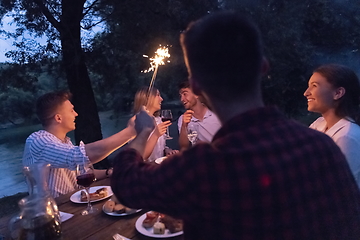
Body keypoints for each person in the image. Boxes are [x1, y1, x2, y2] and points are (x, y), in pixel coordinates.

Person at [110, 11, 360, 239]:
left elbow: (126, 184)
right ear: (263, 66)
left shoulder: (203, 168)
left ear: (196, 86)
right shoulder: (322, 147)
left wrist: (142, 133)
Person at [22, 90, 137, 197]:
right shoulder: (38, 141)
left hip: (72, 206)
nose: (76, 114)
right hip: (52, 211)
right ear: (58, 118)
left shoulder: (65, 142)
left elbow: (82, 172)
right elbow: (80, 156)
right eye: (71, 110)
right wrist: (130, 131)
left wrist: (109, 172)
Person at [304, 63, 360, 187]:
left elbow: (340, 186)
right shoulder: (318, 124)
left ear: (338, 93)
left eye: (314, 86)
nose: (306, 93)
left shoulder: (347, 136)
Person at [132, 86, 178, 162]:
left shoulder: (159, 120)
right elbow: (140, 157)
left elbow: (160, 147)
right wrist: (156, 135)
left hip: (158, 169)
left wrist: (167, 151)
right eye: (158, 95)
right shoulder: (136, 122)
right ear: (147, 98)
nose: (161, 99)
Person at [177, 81, 221, 150]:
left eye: (185, 94)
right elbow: (183, 147)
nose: (182, 99)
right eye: (180, 96)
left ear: (196, 94)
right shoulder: (183, 119)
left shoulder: (216, 114)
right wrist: (184, 125)